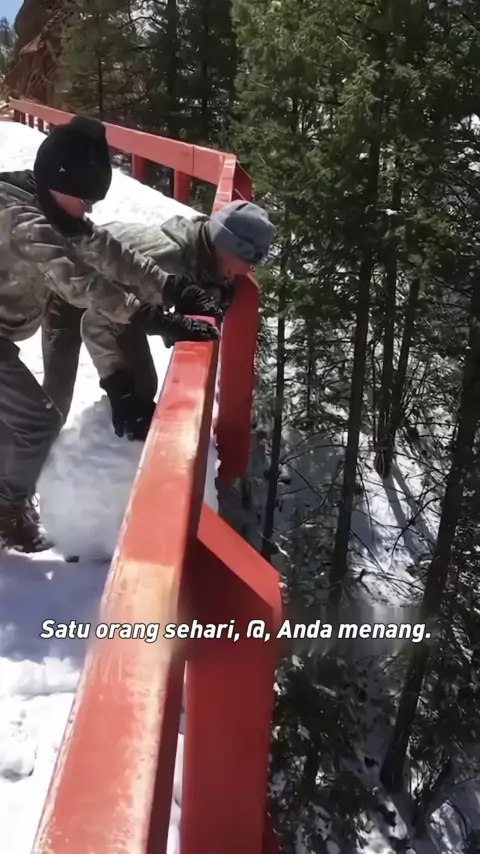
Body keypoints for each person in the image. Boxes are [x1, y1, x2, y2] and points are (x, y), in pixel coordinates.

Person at [0, 114, 218, 553]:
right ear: (59, 180)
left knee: (18, 422)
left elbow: (109, 252)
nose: (89, 209)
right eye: (85, 199)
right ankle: (7, 513)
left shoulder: (52, 205)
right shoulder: (22, 220)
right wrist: (148, 316)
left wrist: (173, 289)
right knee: (38, 422)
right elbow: (78, 281)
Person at [41, 198, 275, 429]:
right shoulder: (172, 259)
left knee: (143, 386)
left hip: (119, 293)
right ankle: (38, 443)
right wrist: (117, 387)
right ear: (228, 246)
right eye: (249, 259)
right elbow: (96, 324)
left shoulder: (202, 249)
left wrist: (215, 290)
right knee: (54, 402)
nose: (249, 269)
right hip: (69, 281)